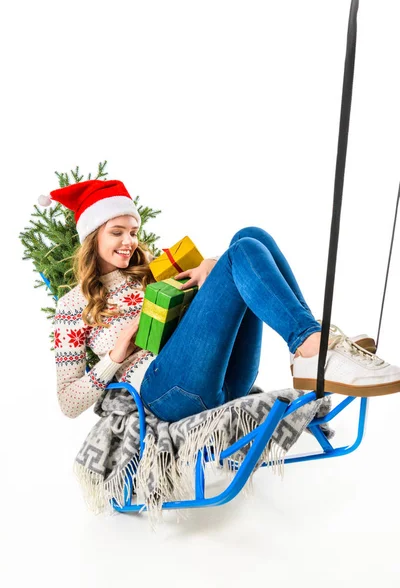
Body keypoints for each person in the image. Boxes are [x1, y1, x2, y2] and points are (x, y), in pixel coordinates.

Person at [43, 179, 400, 421]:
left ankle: (311, 345)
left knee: (250, 236)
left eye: (133, 232)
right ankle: (313, 348)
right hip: (163, 390)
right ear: (92, 237)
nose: (129, 242)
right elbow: (68, 403)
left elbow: (210, 312)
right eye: (116, 232)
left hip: (224, 376)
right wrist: (118, 352)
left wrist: (209, 268)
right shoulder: (73, 307)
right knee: (242, 249)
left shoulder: (154, 270)